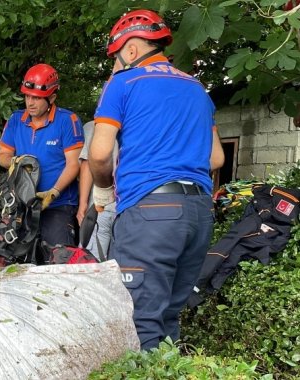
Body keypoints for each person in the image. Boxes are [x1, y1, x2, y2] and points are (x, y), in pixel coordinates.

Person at [89, 9, 225, 350]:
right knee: (168, 317)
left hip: (150, 212)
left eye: (117, 57)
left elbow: (101, 153)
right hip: (198, 213)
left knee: (139, 319)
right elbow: (217, 158)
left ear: (131, 50)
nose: (117, 64)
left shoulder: (123, 83)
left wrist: (104, 190)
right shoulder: (197, 90)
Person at [0, 63, 84, 250]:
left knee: (58, 258)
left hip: (59, 204)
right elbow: (2, 155)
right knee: (16, 261)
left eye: (36, 98)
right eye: (27, 96)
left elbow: (73, 164)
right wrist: (14, 162)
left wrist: (53, 192)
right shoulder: (15, 120)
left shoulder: (68, 121)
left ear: (52, 97)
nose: (30, 103)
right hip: (24, 205)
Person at [76, 120, 117, 260]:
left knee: (90, 262)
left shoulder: (94, 126)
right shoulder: (142, 123)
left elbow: (87, 164)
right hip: (132, 205)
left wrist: (83, 205)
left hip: (99, 206)